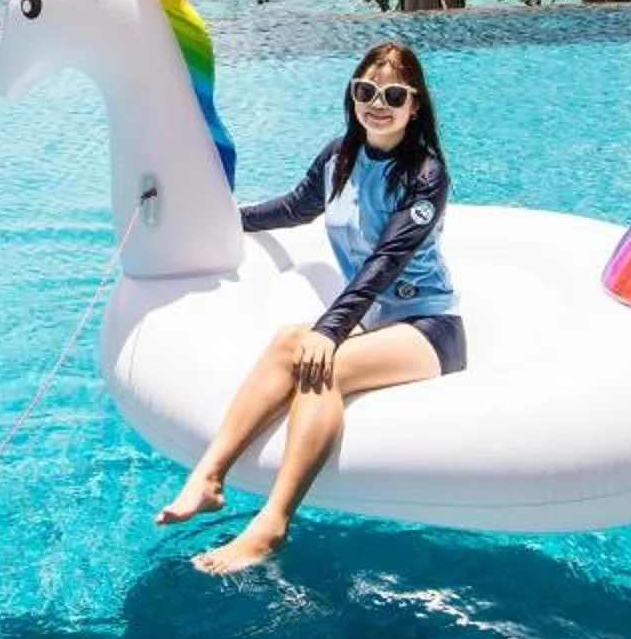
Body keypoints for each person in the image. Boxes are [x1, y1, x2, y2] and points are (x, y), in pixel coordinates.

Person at [155, 40, 465, 573]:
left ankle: (272, 524)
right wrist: (223, 219)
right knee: (286, 341)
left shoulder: (425, 175)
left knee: (324, 363)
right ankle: (208, 476)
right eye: (366, 90)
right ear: (352, 94)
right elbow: (297, 206)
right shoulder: (340, 156)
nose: (378, 103)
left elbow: (387, 260)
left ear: (415, 105)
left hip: (429, 328)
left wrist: (332, 330)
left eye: (394, 94)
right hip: (374, 324)